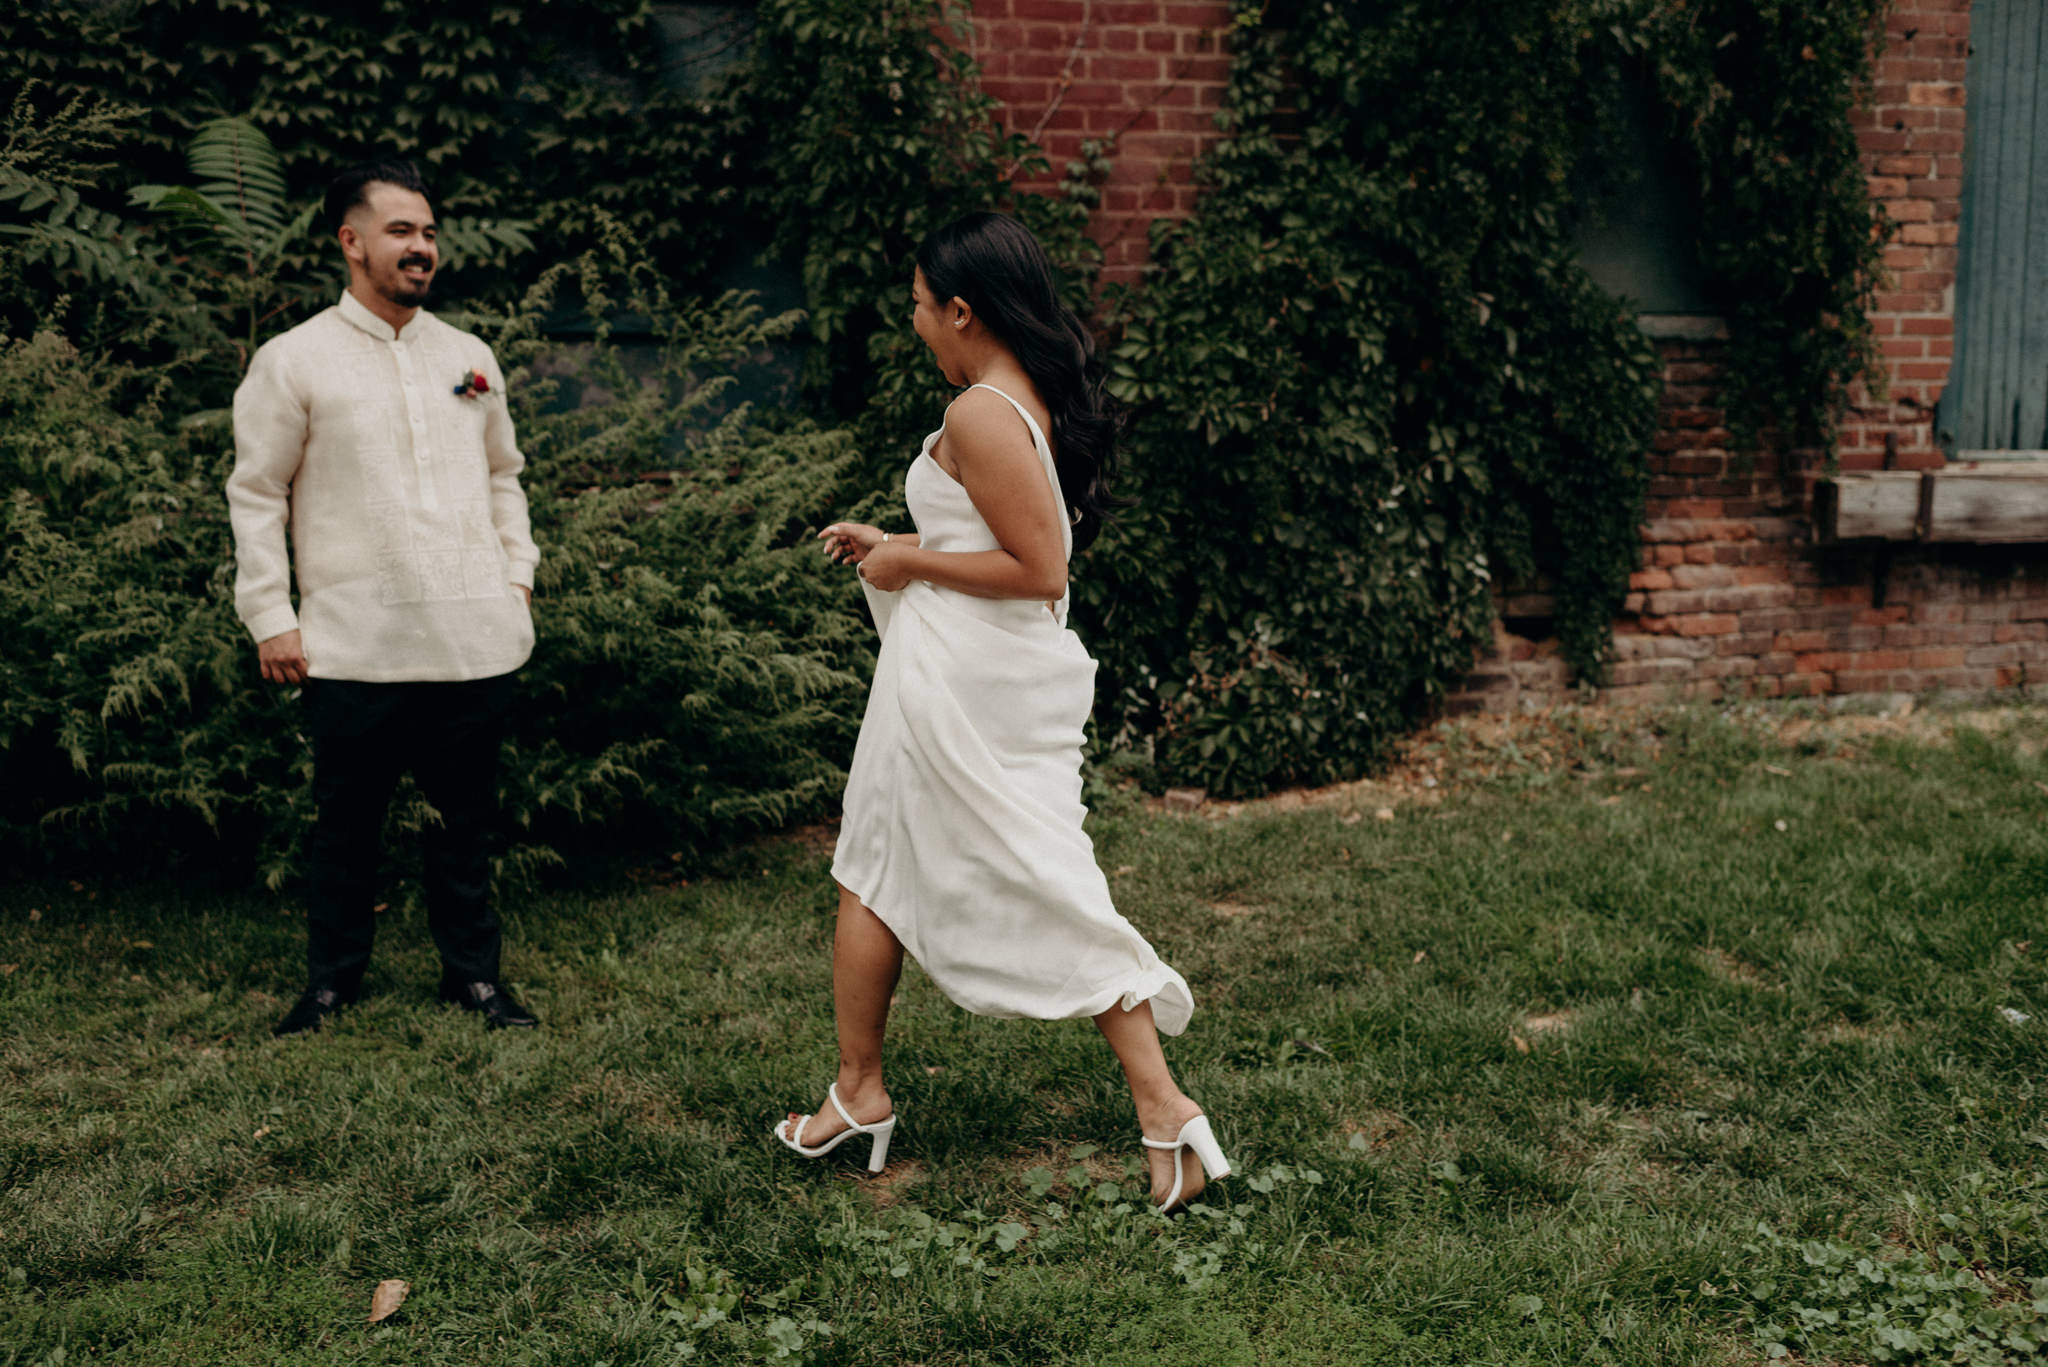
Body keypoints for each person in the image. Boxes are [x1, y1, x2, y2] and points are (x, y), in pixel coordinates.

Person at [776, 212, 1229, 1213]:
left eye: (917, 306)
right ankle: (1151, 1108)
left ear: (962, 309)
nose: (914, 324)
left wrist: (907, 561)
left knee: (883, 865)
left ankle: (866, 1092)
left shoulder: (982, 410)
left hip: (960, 676)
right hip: (992, 670)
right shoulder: (1018, 398)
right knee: (969, 868)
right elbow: (997, 531)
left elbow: (1038, 567)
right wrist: (895, 537)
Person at [227, 160, 541, 1037]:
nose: (422, 248)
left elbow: (505, 477)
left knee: (466, 828)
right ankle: (331, 984)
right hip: (351, 645)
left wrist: (517, 579)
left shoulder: (467, 357)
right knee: (346, 829)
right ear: (350, 241)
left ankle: (474, 978)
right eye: (402, 231)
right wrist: (272, 615)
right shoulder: (293, 360)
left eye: (430, 233)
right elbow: (257, 493)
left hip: (475, 637)